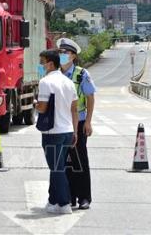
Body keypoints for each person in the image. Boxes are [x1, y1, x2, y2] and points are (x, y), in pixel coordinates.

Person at [35, 49, 79, 214]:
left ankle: (64, 202)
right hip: (67, 131)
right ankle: (53, 201)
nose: (41, 65)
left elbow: (42, 107)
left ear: (50, 63)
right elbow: (74, 109)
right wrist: (75, 131)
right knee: (57, 167)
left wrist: (35, 104)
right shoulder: (68, 82)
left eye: (42, 62)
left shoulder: (45, 82)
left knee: (57, 169)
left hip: (52, 132)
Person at [57, 38, 96, 210]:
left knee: (79, 160)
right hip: (59, 124)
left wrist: (88, 121)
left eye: (65, 53)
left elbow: (90, 97)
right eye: (60, 52)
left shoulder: (81, 74)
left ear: (73, 56)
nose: (62, 55)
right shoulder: (54, 73)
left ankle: (84, 197)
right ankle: (69, 197)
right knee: (62, 162)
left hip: (78, 123)